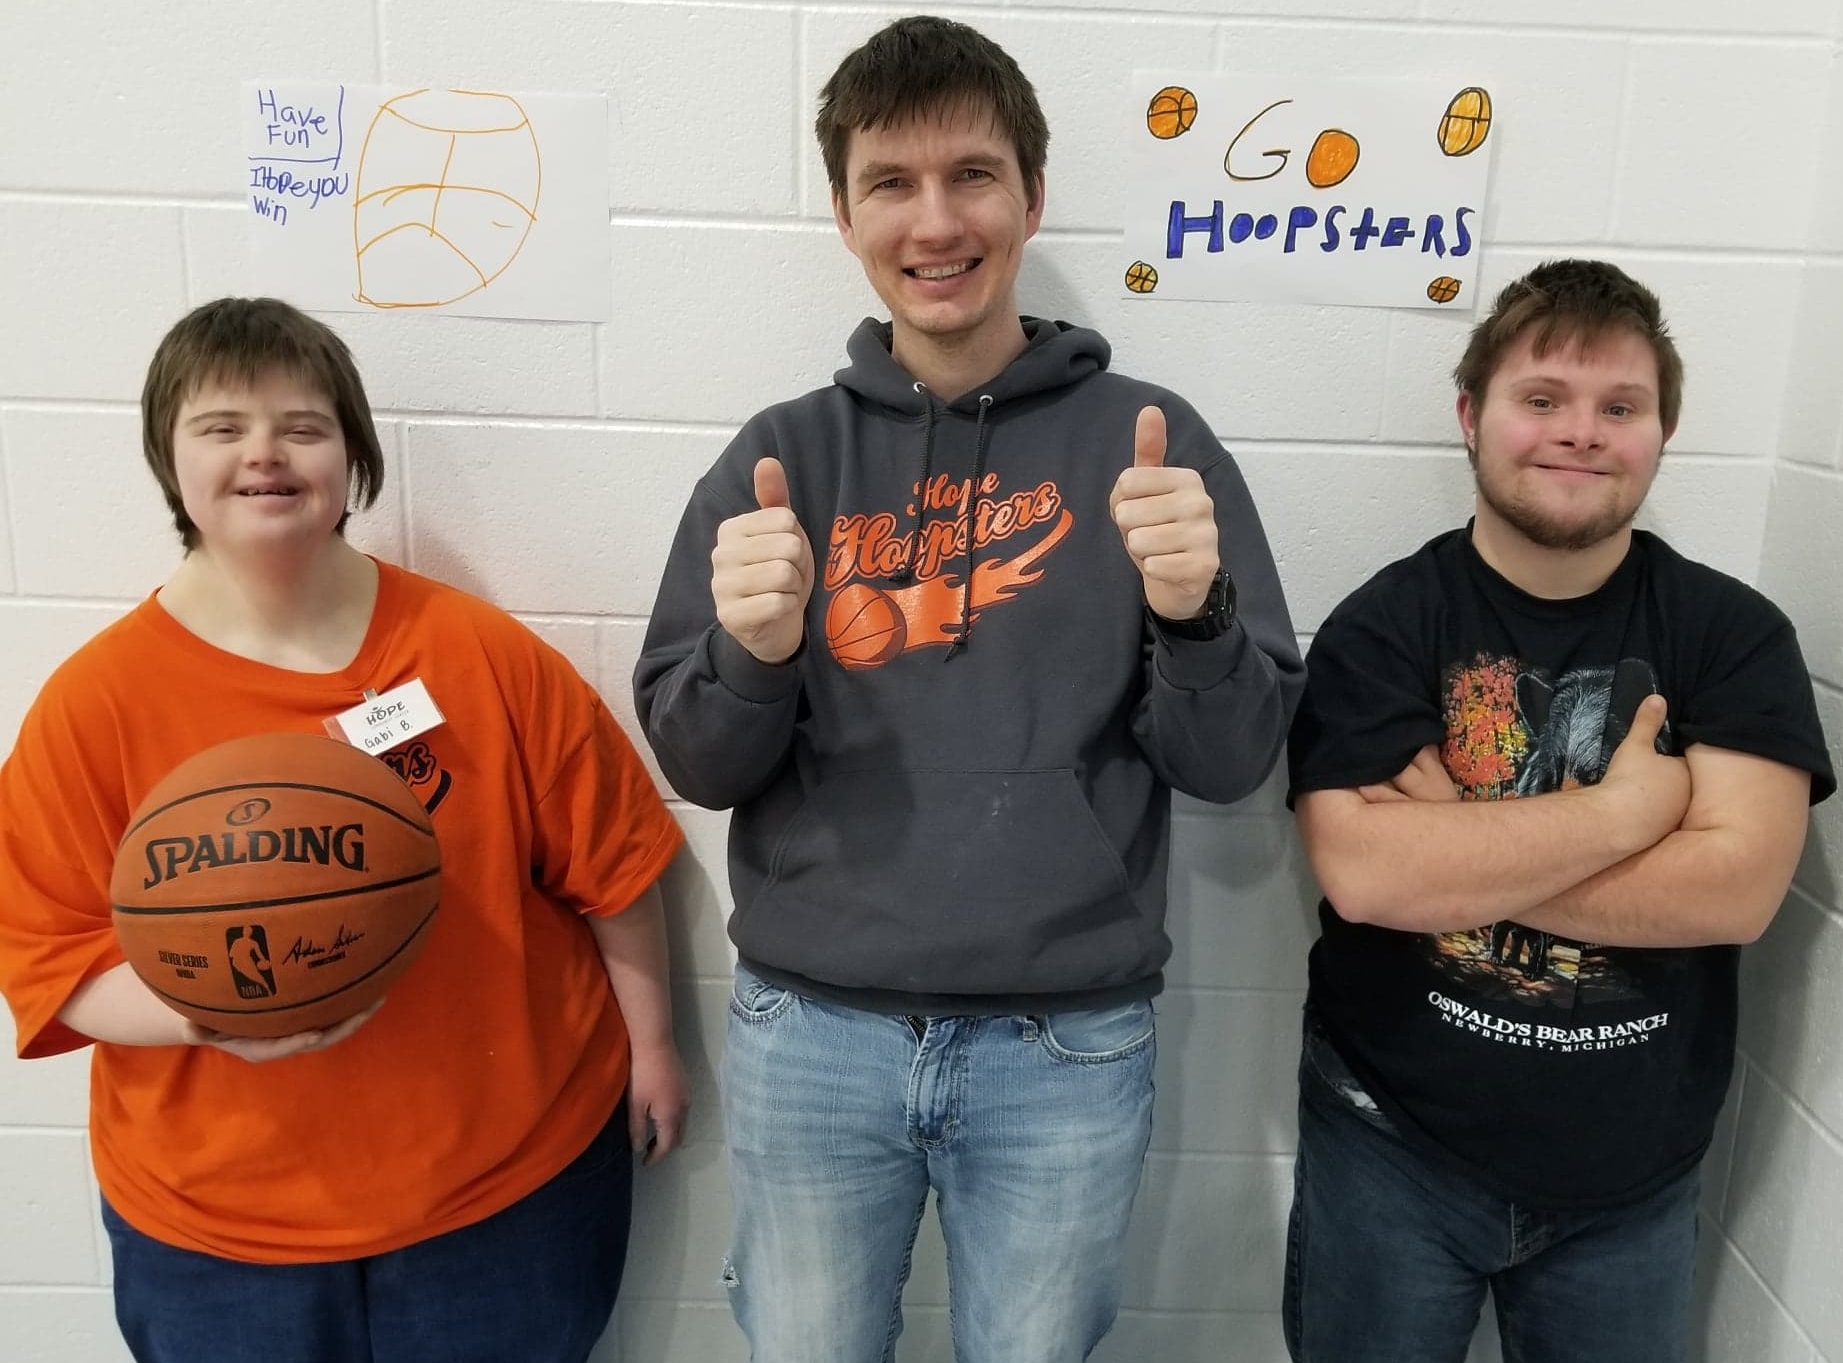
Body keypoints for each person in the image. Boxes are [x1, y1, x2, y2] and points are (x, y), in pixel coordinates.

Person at [634, 15, 1303, 1361]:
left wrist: (1196, 614)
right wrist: (751, 650)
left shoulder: (1146, 445)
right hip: (810, 1031)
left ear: (1030, 196)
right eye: (890, 181)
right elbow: (695, 761)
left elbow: (1229, 761)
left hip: (1062, 1044)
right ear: (842, 214)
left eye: (971, 176)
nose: (934, 221)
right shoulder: (779, 459)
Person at [0, 297, 690, 1363]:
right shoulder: (96, 704)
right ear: (167, 459)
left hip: (508, 1193)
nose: (265, 453)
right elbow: (48, 962)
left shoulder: (478, 654)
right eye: (221, 426)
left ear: (352, 456)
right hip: (220, 1235)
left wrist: (653, 1047)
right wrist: (209, 1011)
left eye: (304, 425)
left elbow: (615, 870)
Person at [1283, 258, 1835, 1363]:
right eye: (1541, 398)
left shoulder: (1731, 636)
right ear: (1469, 416)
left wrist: (1458, 843)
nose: (1579, 432)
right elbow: (1367, 878)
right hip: (1390, 1146)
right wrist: (1634, 812)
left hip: (1633, 1183)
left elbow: (1733, 894)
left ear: (1661, 431)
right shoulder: (1384, 626)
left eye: (1618, 407)